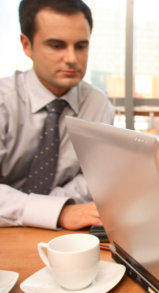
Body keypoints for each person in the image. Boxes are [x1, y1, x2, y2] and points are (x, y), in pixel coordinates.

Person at [0, 0, 114, 230]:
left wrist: (57, 208)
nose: (72, 58)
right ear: (26, 45)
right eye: (56, 45)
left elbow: (96, 178)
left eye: (81, 46)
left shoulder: (97, 104)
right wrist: (55, 211)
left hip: (64, 235)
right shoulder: (4, 100)